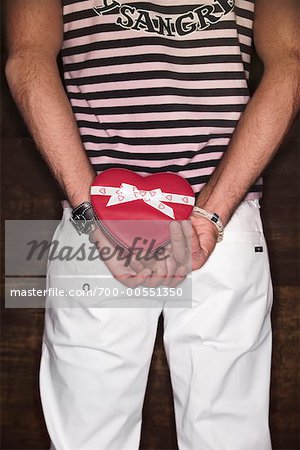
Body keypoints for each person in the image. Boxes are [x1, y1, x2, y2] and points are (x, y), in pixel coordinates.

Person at [5, 0, 299, 449]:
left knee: (89, 434)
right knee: (228, 433)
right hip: (214, 217)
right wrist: (213, 212)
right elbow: (291, 61)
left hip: (108, 217)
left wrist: (92, 214)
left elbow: (28, 58)